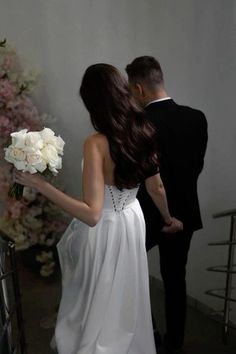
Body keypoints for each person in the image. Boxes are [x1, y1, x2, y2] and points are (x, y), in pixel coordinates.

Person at [14, 63, 183, 354]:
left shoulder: (95, 143)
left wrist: (41, 186)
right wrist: (168, 218)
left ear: (94, 104)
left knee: (95, 297)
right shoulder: (144, 130)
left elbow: (92, 214)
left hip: (104, 228)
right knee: (125, 295)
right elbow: (157, 187)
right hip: (133, 221)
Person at [126, 56, 208, 354]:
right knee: (176, 280)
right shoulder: (197, 117)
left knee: (130, 274)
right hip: (184, 212)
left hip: (146, 212)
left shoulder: (138, 123)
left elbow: (140, 175)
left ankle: (148, 334)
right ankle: (175, 345)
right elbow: (195, 167)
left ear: (139, 88)